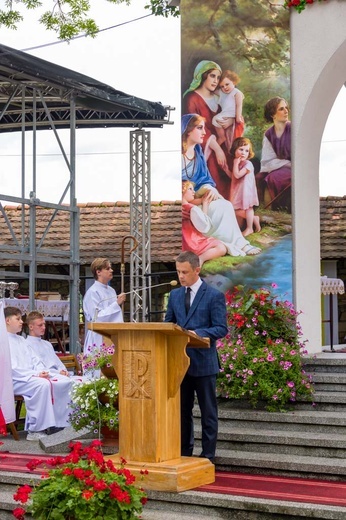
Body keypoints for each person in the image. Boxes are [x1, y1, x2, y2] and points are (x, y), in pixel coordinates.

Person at [164, 251, 228, 463]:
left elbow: (220, 328)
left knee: (208, 413)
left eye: (185, 272)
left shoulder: (214, 296)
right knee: (182, 412)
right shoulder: (174, 296)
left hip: (204, 363)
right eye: (178, 272)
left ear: (197, 270)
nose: (181, 276)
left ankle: (208, 456)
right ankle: (184, 453)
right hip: (180, 363)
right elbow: (169, 325)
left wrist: (198, 333)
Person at [182, 113, 261, 256]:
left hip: (196, 196)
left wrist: (209, 189)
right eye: (200, 128)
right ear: (188, 130)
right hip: (185, 202)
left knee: (225, 205)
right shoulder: (177, 155)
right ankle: (234, 243)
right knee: (221, 207)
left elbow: (204, 178)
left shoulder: (197, 151)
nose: (204, 133)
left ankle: (239, 243)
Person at [5, 306, 72, 441]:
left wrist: (42, 371)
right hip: (13, 381)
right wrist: (35, 375)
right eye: (17, 319)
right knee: (42, 385)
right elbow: (12, 368)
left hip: (27, 377)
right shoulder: (3, 341)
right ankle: (35, 430)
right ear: (7, 321)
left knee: (55, 380)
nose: (21, 322)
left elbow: (34, 360)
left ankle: (58, 423)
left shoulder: (21, 340)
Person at [183, 60, 231, 199]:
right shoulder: (192, 98)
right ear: (203, 76)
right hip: (203, 146)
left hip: (223, 143)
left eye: (218, 77)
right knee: (214, 166)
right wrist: (217, 149)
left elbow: (231, 117)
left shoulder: (219, 98)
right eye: (212, 76)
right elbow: (192, 126)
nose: (216, 80)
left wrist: (230, 121)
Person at [83, 258, 126, 363]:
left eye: (111, 268)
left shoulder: (111, 291)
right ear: (98, 272)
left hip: (112, 334)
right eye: (108, 268)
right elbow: (96, 317)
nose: (111, 270)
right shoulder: (92, 292)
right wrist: (117, 303)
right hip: (98, 335)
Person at [25, 311, 83, 381]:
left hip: (58, 375)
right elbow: (38, 368)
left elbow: (57, 362)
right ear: (31, 327)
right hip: (46, 377)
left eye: (44, 324)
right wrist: (58, 373)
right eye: (40, 325)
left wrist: (64, 371)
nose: (44, 327)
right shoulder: (26, 345)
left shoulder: (47, 344)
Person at [182, 181, 227, 266]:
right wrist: (205, 204)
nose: (193, 192)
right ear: (182, 191)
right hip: (193, 242)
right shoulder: (192, 209)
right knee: (221, 248)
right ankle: (200, 259)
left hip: (184, 243)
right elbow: (204, 226)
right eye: (190, 189)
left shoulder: (181, 209)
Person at [257, 97, 291, 211]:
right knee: (258, 178)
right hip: (283, 166)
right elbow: (267, 160)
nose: (286, 111)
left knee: (272, 178)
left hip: (295, 168)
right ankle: (263, 210)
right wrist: (286, 163)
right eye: (281, 109)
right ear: (273, 114)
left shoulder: (293, 128)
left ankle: (270, 210)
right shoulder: (269, 134)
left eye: (286, 108)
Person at [229, 137, 261, 237]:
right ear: (235, 150)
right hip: (238, 190)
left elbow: (237, 175)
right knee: (235, 209)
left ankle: (250, 228)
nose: (243, 153)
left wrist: (235, 163)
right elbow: (233, 176)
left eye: (246, 150)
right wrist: (227, 168)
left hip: (247, 191)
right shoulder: (239, 163)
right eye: (241, 149)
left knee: (248, 208)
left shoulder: (248, 164)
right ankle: (251, 220)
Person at [212, 70, 245, 149]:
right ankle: (222, 137)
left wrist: (237, 117)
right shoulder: (221, 92)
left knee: (216, 119)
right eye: (222, 86)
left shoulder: (236, 93)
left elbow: (239, 105)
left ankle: (222, 138)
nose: (225, 87)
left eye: (227, 84)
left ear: (233, 81)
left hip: (232, 115)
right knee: (216, 119)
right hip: (225, 114)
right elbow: (213, 90)